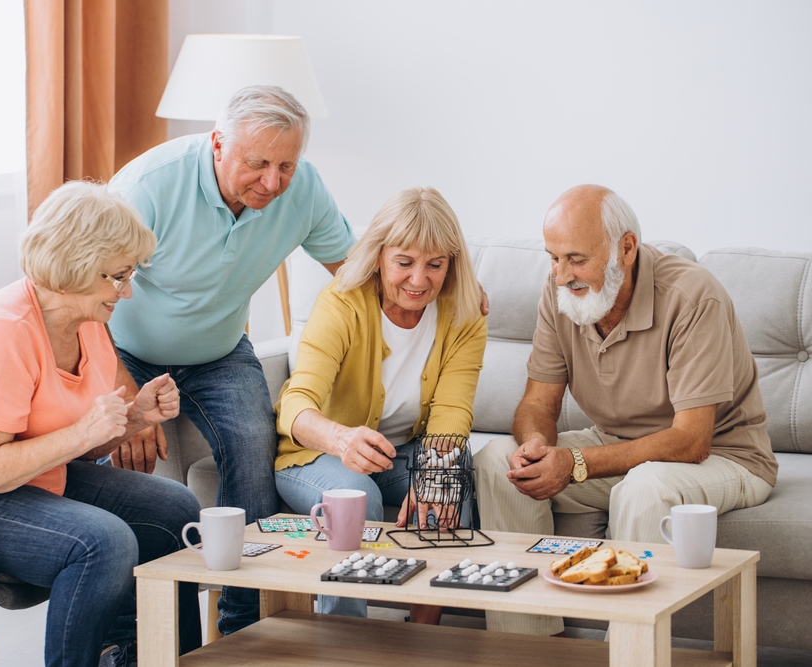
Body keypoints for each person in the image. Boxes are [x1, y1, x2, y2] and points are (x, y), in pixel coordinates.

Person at [0, 181, 202, 667]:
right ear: (74, 268)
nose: (129, 289)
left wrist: (137, 415)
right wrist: (83, 433)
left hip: (27, 478)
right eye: (118, 276)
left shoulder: (86, 320)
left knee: (176, 508)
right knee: (103, 542)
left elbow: (66, 442)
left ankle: (155, 658)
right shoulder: (5, 333)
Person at [106, 84, 356, 634]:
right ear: (219, 144)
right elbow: (80, 298)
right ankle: (127, 637)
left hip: (219, 352)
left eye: (286, 165)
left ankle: (246, 624)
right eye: (257, 163)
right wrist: (124, 396)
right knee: (114, 473)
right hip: (123, 352)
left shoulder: (303, 189)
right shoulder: (148, 187)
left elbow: (355, 267)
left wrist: (450, 284)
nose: (272, 182)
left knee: (251, 444)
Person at [474, 184, 777, 636]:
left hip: (724, 454)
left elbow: (692, 440)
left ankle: (629, 651)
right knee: (498, 463)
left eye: (576, 259)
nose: (560, 275)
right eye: (553, 258)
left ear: (626, 248)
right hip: (620, 446)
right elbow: (539, 401)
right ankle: (527, 646)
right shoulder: (560, 294)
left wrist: (574, 462)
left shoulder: (692, 296)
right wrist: (537, 447)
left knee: (645, 487)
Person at [275, 187, 488, 621]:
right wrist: (341, 439)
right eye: (404, 262)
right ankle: (344, 637)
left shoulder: (465, 314)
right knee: (358, 498)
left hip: (401, 451)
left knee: (452, 474)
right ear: (379, 257)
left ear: (452, 263)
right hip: (318, 454)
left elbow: (452, 413)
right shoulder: (341, 302)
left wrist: (434, 471)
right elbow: (296, 404)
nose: (419, 279)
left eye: (435, 264)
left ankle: (422, 635)